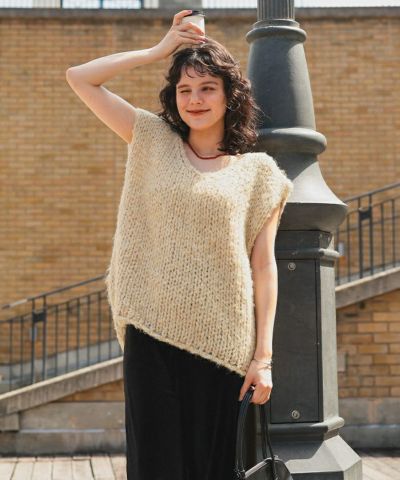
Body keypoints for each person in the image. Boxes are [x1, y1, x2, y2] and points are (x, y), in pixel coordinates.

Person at [66, 9, 294, 480]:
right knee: (154, 466)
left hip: (223, 343)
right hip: (151, 333)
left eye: (207, 88)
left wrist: (263, 358)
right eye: (184, 89)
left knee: (212, 468)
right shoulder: (151, 139)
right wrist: (158, 50)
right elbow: (80, 78)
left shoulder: (260, 175)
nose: (195, 99)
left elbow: (264, 268)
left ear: (230, 96)